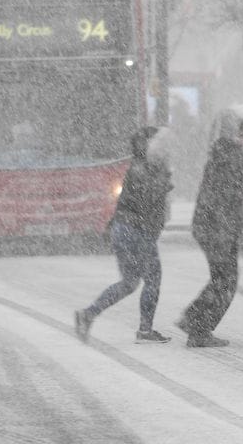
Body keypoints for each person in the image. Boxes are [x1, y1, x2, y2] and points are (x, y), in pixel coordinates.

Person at [75, 126, 174, 344]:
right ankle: (145, 331)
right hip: (137, 231)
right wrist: (164, 183)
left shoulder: (137, 167)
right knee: (153, 279)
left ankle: (88, 314)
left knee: (129, 283)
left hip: (123, 229)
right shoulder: (147, 170)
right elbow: (147, 203)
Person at [177, 116, 243, 348]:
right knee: (226, 281)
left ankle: (194, 321)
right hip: (217, 228)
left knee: (221, 279)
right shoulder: (234, 157)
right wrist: (228, 230)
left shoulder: (225, 152)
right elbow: (225, 198)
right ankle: (198, 326)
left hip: (209, 225)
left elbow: (218, 195)